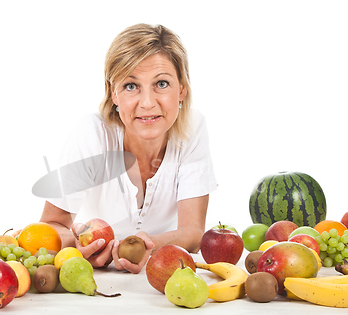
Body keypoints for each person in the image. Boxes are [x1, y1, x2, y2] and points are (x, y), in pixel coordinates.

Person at [39, 23, 217, 274]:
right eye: (131, 86)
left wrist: (147, 246)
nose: (147, 103)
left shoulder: (192, 129)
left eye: (162, 84)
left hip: (161, 278)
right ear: (114, 93)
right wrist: (76, 247)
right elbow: (52, 224)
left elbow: (193, 232)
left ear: (182, 90)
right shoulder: (93, 134)